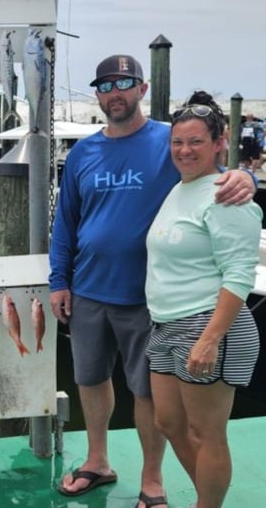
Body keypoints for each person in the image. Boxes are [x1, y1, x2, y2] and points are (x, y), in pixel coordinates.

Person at [48, 55, 254, 508]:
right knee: (90, 378)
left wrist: (247, 176)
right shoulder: (83, 151)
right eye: (105, 85)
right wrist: (58, 280)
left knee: (149, 397)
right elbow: (66, 222)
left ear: (142, 89)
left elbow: (211, 170)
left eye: (124, 82)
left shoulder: (168, 140)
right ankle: (97, 460)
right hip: (88, 288)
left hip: (149, 298)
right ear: (97, 94)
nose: (114, 92)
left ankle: (153, 480)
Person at [146, 92, 261, 508]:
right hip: (165, 324)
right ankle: (207, 500)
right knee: (169, 422)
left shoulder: (227, 196)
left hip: (209, 326)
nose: (184, 150)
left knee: (206, 432)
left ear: (219, 144)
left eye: (196, 141)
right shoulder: (180, 189)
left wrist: (211, 338)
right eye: (178, 142)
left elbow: (239, 274)